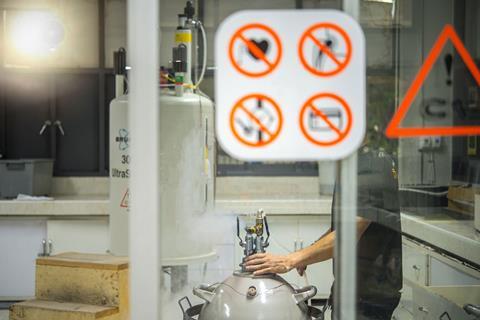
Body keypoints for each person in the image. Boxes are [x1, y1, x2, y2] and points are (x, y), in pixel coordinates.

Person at [245, 147, 402, 320]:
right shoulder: (353, 165)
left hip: (369, 295)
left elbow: (352, 230)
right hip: (351, 289)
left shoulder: (371, 165)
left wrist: (291, 260)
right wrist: (308, 252)